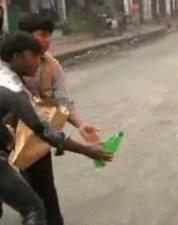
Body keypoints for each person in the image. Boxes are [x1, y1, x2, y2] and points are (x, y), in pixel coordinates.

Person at [0, 31, 112, 225]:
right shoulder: (13, 88)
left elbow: (60, 100)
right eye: (34, 56)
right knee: (33, 208)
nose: (38, 62)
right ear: (17, 56)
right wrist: (88, 150)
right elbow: (44, 130)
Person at [18, 14, 102, 225]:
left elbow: (62, 101)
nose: (48, 41)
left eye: (50, 36)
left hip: (33, 139)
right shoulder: (6, 71)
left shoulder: (51, 65)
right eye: (43, 35)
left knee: (43, 198)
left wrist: (81, 124)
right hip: (8, 138)